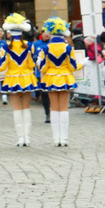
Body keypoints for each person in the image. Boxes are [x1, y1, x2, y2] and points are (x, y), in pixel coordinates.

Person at [0, 14, 38, 146]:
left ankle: (20, 138)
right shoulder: (29, 45)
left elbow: (2, 66)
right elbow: (32, 65)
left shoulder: (6, 46)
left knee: (16, 108)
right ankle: (27, 138)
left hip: (12, 79)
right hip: (27, 78)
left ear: (9, 33)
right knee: (26, 107)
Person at [38, 17, 80, 147]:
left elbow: (43, 67)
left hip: (51, 78)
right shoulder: (68, 48)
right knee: (64, 108)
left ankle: (56, 139)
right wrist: (82, 63)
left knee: (53, 107)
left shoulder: (45, 48)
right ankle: (64, 139)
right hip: (65, 77)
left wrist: (40, 63)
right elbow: (73, 67)